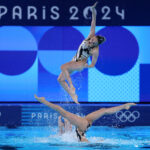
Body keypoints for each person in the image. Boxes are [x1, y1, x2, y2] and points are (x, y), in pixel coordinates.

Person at [57, 2, 105, 104]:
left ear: (97, 44)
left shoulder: (95, 51)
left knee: (63, 67)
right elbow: (93, 22)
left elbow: (92, 65)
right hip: (74, 60)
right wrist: (92, 10)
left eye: (94, 42)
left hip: (79, 64)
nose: (91, 41)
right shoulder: (90, 36)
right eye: (92, 39)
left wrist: (85, 65)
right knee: (60, 79)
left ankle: (72, 87)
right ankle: (73, 95)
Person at [34, 94, 136, 142]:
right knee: (63, 112)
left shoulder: (69, 137)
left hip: (83, 126)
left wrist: (61, 127)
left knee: (103, 110)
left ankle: (124, 106)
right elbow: (88, 144)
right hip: (83, 127)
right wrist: (99, 141)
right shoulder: (81, 139)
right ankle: (44, 101)